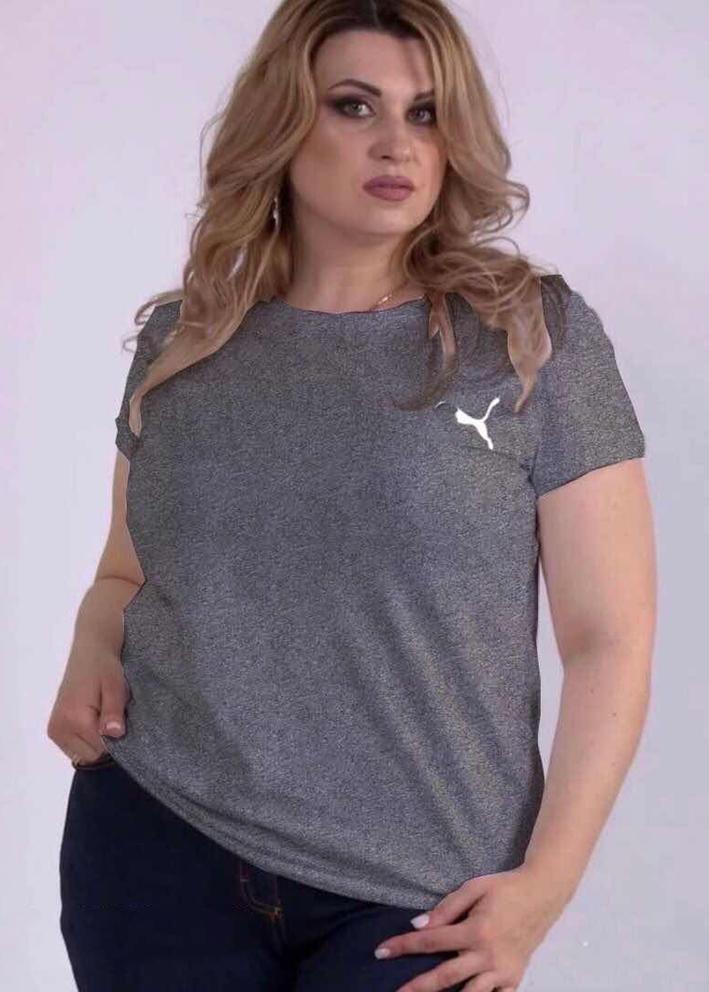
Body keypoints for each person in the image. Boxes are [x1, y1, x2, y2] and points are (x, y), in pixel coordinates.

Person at [47, 1, 656, 990]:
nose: (396, 143)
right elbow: (126, 570)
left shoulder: (527, 337)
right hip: (158, 843)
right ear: (283, 122)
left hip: (420, 890)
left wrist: (547, 882)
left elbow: (608, 637)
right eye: (353, 105)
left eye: (425, 113)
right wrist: (90, 641)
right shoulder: (185, 340)